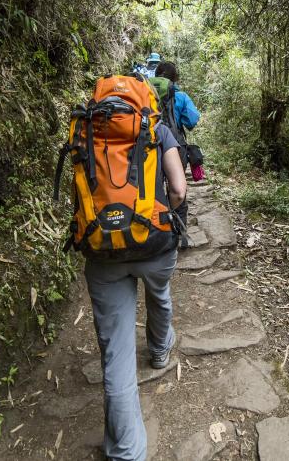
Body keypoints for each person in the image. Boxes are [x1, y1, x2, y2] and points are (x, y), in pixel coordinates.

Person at [83, 120, 187, 461]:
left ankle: (127, 453)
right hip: (155, 246)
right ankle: (159, 350)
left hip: (103, 252)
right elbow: (179, 189)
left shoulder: (88, 130)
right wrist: (161, 216)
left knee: (116, 354)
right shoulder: (158, 128)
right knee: (158, 296)